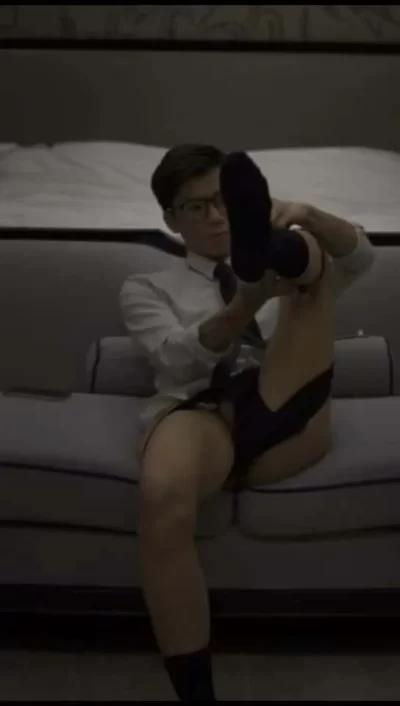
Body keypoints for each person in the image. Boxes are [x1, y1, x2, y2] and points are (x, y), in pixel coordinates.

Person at [120, 145, 376, 700]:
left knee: (312, 264)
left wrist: (304, 213)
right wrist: (245, 303)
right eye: (196, 207)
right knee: (162, 495)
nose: (216, 216)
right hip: (208, 412)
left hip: (289, 403)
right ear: (171, 220)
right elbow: (174, 362)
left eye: (223, 201)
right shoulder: (147, 287)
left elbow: (362, 257)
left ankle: (274, 248)